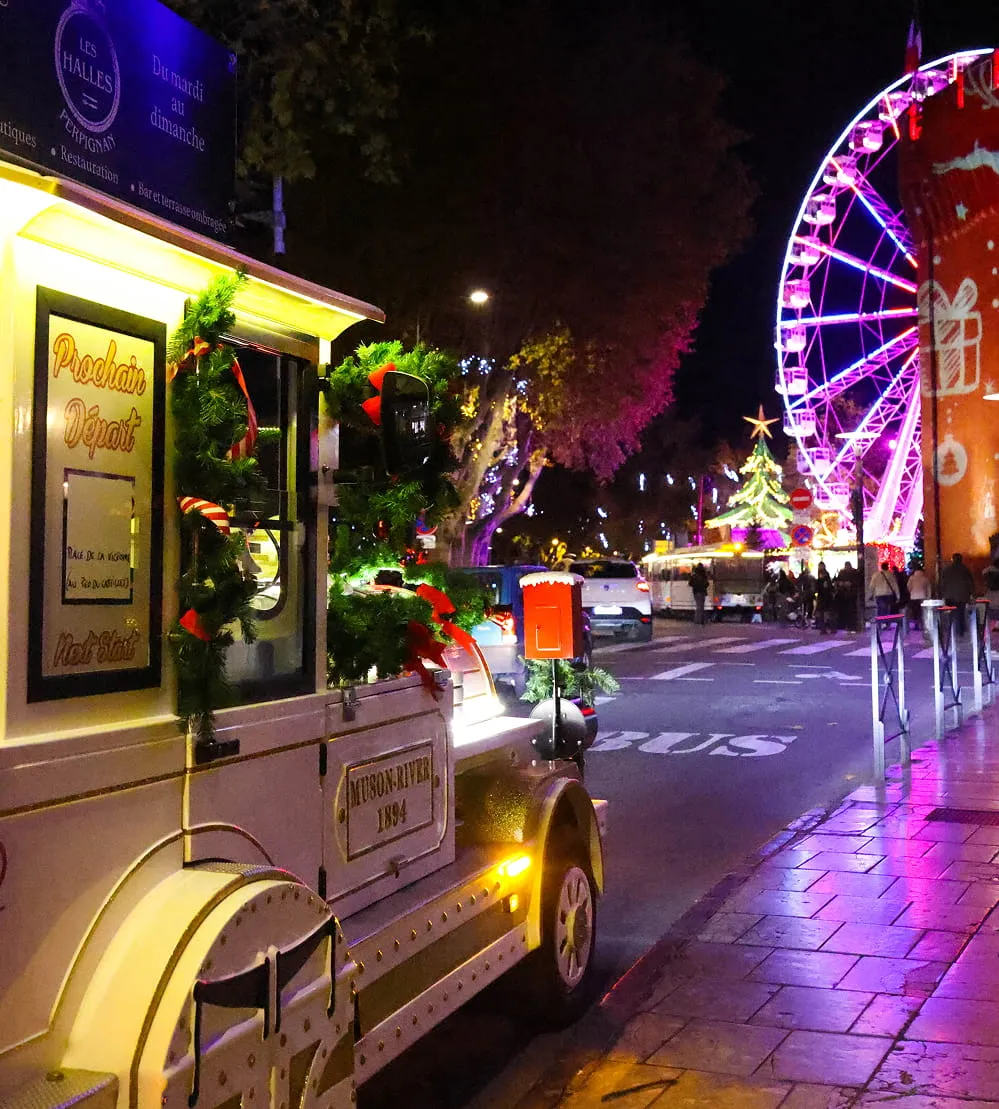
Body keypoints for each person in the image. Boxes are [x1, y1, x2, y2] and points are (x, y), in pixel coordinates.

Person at [940, 552, 975, 637]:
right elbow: (970, 583)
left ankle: (952, 632)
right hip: (962, 596)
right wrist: (970, 594)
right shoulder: (965, 569)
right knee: (961, 613)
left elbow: (942, 583)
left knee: (951, 614)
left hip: (949, 596)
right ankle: (960, 631)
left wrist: (942, 593)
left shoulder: (946, 569)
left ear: (952, 559)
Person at [906, 562, 931, 636]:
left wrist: (911, 592)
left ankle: (916, 625)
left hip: (913, 596)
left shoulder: (911, 578)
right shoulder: (925, 578)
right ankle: (922, 624)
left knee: (915, 612)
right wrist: (928, 597)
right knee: (922, 612)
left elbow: (908, 586)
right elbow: (929, 588)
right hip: (923, 597)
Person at [814, 561, 835, 634]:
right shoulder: (822, 574)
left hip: (825, 596)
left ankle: (828, 628)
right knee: (824, 613)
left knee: (826, 613)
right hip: (824, 596)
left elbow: (826, 586)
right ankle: (825, 628)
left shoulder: (824, 575)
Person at [690, 561, 709, 626]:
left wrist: (695, 585)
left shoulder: (694, 575)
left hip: (696, 591)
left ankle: (697, 620)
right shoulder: (703, 575)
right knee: (701, 606)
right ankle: (701, 620)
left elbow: (690, 583)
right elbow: (707, 584)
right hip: (702, 591)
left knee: (698, 606)